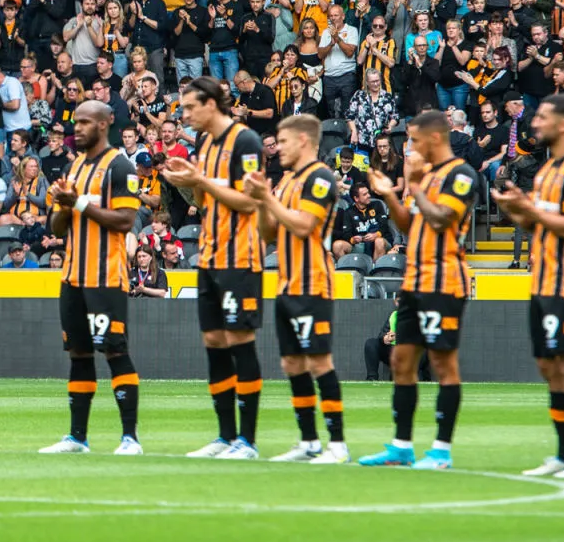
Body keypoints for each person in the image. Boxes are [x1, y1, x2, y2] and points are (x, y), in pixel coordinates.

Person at [492, 94, 564, 479]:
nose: (534, 123)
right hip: (541, 280)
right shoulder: (546, 170)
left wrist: (531, 209)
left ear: (562, 124)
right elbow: (538, 224)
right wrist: (516, 209)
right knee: (547, 364)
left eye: (541, 117)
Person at [361, 109, 479, 469]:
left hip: (444, 280)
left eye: (413, 139)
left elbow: (443, 218)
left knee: (442, 363)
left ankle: (441, 450)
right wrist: (389, 197)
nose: (408, 147)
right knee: (401, 359)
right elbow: (410, 223)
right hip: (414, 279)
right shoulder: (425, 177)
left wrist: (412, 186)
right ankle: (401, 445)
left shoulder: (460, 174)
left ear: (435, 138)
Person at [163, 76, 266, 459]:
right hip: (208, 255)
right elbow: (207, 202)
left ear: (211, 104)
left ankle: (248, 440)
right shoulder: (205, 143)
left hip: (240, 257)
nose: (185, 114)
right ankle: (225, 436)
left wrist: (200, 178)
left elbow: (249, 201)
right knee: (214, 343)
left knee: (240, 341)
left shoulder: (246, 141)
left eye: (190, 107)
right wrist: (184, 183)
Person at [38, 100, 144, 455]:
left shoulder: (120, 166)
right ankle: (77, 437)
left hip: (106, 276)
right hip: (73, 277)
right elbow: (56, 226)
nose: (77, 129)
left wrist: (79, 203)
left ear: (105, 123)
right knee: (79, 355)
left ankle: (130, 438)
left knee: (115, 351)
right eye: (75, 122)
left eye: (85, 122)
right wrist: (64, 203)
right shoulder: (76, 167)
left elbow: (125, 221)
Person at [244, 114, 349, 464]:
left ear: (303, 141)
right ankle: (308, 440)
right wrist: (260, 200)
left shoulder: (320, 177)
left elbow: (304, 225)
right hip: (286, 282)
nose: (277, 149)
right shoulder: (288, 180)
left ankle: (337, 443)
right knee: (291, 363)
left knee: (319, 361)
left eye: (283, 142)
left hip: (313, 282)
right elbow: (269, 232)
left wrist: (267, 199)